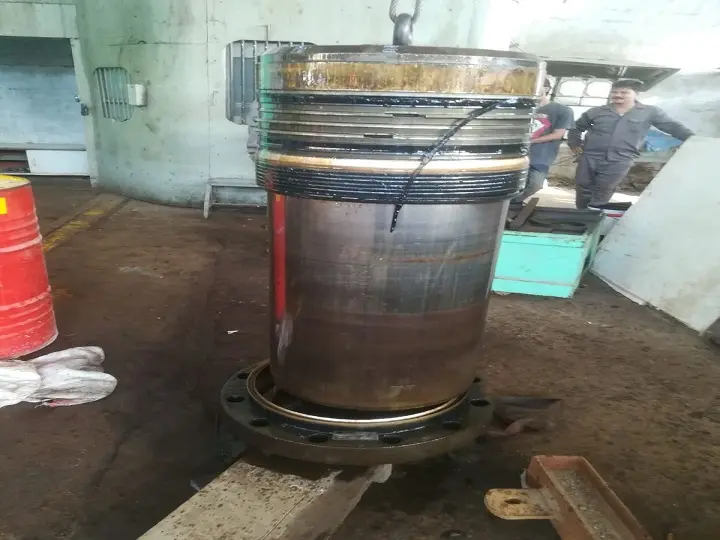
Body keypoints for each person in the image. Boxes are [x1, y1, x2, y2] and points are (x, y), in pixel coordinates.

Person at [567, 79, 694, 209]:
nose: (618, 95)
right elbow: (575, 127)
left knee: (604, 188)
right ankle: (581, 212)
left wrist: (694, 139)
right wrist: (574, 143)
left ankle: (592, 213)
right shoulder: (597, 111)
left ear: (636, 94)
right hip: (590, 156)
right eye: (615, 92)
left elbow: (672, 126)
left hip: (621, 158)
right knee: (583, 186)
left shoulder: (649, 112)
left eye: (624, 92)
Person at [513, 76, 574, 202]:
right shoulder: (519, 109)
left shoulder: (562, 110)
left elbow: (558, 134)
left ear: (546, 88)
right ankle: (508, 207)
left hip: (540, 156)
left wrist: (530, 141)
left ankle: (513, 204)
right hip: (515, 154)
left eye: (535, 86)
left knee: (535, 184)